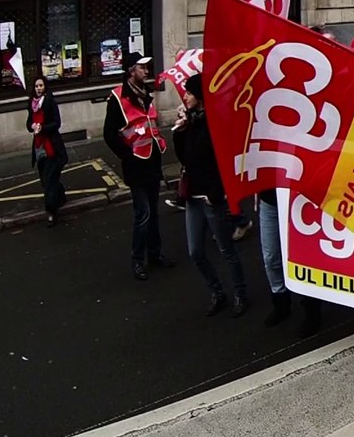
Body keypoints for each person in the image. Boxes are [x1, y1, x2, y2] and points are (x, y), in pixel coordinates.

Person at [172, 75, 248, 317]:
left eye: (189, 93)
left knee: (226, 250)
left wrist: (216, 194)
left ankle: (240, 293)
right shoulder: (191, 122)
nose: (185, 97)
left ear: (201, 97)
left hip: (210, 197)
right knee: (196, 251)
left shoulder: (215, 123)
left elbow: (224, 161)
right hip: (193, 196)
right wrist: (180, 130)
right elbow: (184, 157)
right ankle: (217, 291)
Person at [103, 52, 174, 280]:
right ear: (131, 71)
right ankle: (137, 260)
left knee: (153, 212)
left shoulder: (146, 94)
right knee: (142, 213)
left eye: (147, 68)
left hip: (152, 162)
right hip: (135, 165)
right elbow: (109, 133)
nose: (146, 71)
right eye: (142, 68)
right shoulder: (117, 97)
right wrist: (126, 155)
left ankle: (154, 254)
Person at [26, 76, 68, 226]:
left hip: (51, 146)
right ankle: (61, 195)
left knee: (49, 180)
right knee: (46, 181)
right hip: (39, 147)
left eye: (41, 86)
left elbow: (56, 123)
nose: (38, 88)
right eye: (36, 86)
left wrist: (43, 128)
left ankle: (51, 212)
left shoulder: (50, 102)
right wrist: (32, 126)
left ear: (45, 87)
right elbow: (28, 122)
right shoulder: (32, 104)